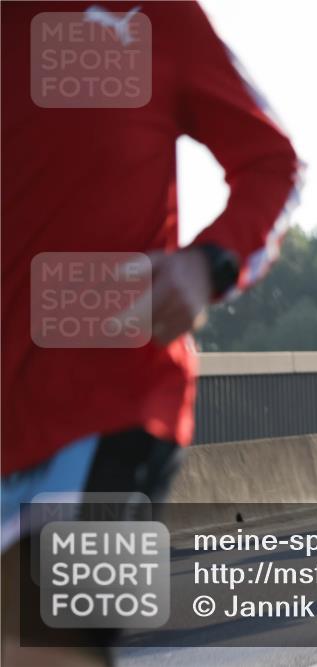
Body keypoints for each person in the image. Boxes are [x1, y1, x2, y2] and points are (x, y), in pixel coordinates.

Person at [1, 2, 301, 664]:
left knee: (45, 644)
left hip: (115, 402)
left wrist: (209, 263)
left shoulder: (152, 16)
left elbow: (274, 165)